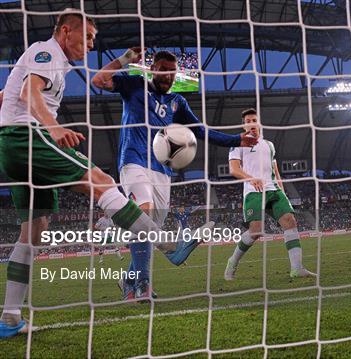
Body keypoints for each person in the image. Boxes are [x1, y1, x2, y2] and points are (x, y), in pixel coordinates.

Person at [0, 10, 196, 338]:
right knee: (102, 181)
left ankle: (9, 317)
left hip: (12, 143)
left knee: (34, 231)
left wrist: (127, 57)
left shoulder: (49, 61)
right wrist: (54, 126)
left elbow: (8, 95)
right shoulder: (46, 51)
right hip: (29, 137)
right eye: (88, 37)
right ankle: (168, 246)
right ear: (66, 31)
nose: (91, 44)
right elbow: (26, 95)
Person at [92, 49, 257, 299]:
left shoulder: (177, 102)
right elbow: (99, 81)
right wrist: (125, 59)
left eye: (172, 71)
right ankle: (154, 275)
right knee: (143, 213)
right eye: (162, 69)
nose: (167, 76)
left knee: (145, 230)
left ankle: (129, 282)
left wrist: (235, 139)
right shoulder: (135, 84)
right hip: (134, 160)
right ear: (153, 68)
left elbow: (200, 130)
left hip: (162, 170)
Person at [224, 108, 315, 280]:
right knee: (255, 232)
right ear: (244, 126)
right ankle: (232, 261)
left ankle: (297, 268)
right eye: (248, 121)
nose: (252, 124)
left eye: (254, 120)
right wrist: (251, 179)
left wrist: (282, 189)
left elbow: (275, 170)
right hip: (254, 191)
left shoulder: (269, 145)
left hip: (274, 189)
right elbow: (234, 169)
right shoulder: (237, 143)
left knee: (290, 221)